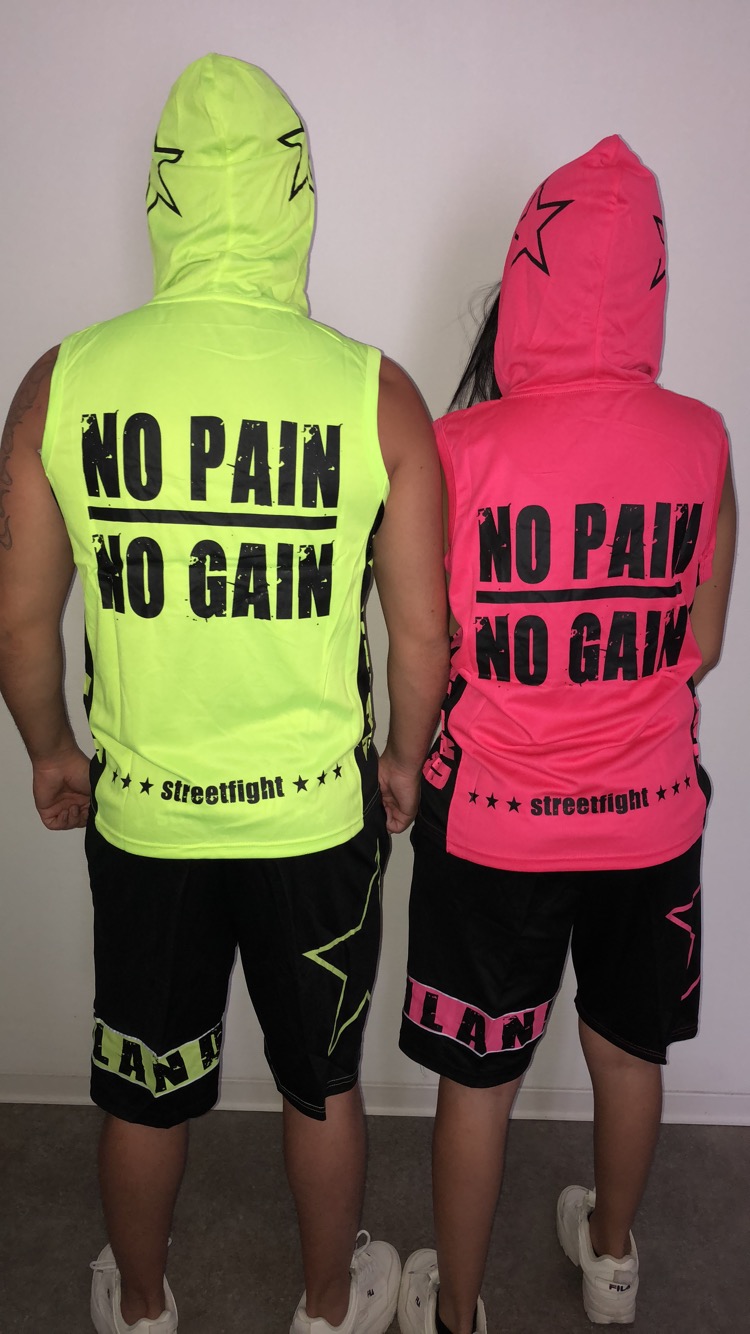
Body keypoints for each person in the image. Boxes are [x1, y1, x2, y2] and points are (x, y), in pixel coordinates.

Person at [0, 54, 449, 1334]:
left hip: (149, 816)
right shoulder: (375, 393)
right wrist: (404, 759)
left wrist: (50, 748)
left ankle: (142, 1303)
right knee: (322, 1086)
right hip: (313, 820)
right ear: (295, 195)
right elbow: (423, 631)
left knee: (143, 1084)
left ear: (165, 197)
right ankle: (328, 1303)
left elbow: (19, 618)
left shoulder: (62, 382)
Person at [396, 135, 736, 1333]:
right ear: (651, 280)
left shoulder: (460, 448)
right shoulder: (703, 440)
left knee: (477, 1079)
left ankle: (457, 1306)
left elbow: (429, 643)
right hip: (650, 820)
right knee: (627, 1051)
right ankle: (612, 1257)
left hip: (495, 823)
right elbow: (702, 643)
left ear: (525, 274)